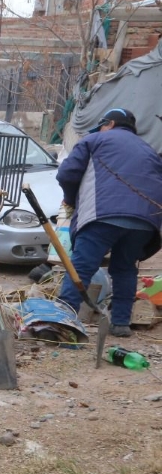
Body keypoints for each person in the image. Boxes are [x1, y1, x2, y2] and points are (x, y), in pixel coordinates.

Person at [55, 107, 162, 337]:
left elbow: (66, 174)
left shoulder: (95, 140)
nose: (101, 129)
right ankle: (121, 323)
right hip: (144, 221)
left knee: (82, 266)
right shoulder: (150, 150)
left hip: (103, 214)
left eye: (102, 125)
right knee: (124, 268)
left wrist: (71, 200)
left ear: (110, 124)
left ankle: (64, 321)